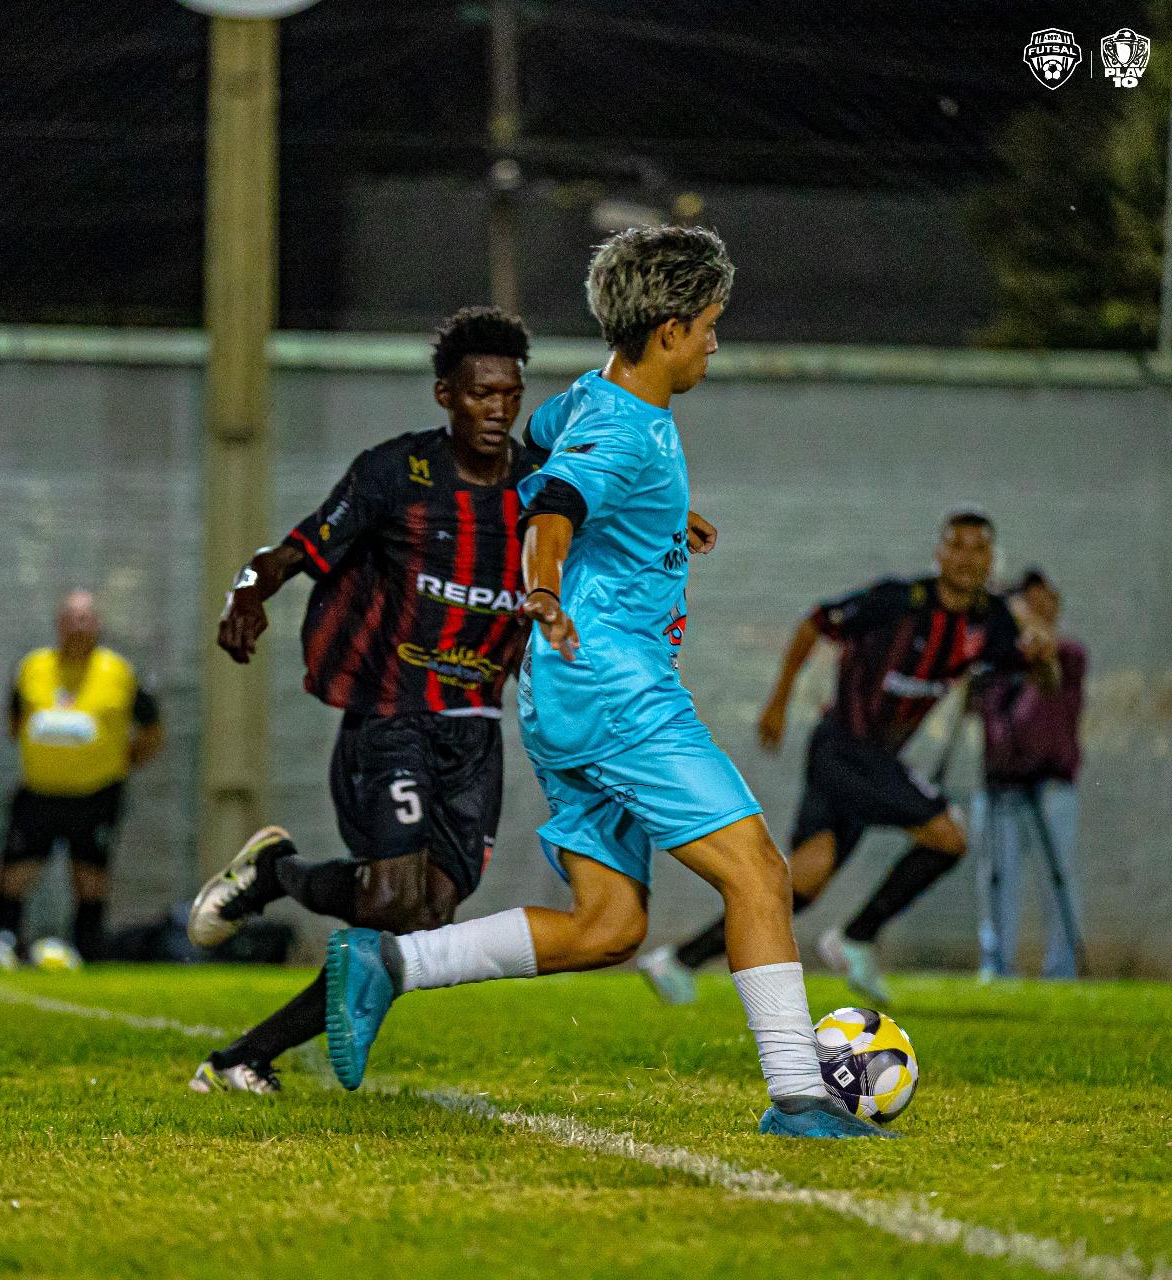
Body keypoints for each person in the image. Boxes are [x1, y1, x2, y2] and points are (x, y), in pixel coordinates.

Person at [319, 225, 891, 1139]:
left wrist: (661, 519)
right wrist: (542, 583)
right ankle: (800, 1098)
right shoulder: (626, 432)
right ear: (668, 330)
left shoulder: (592, 400)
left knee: (610, 926)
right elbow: (554, 502)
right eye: (708, 324)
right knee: (758, 876)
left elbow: (529, 459)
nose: (714, 341)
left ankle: (390, 964)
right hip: (619, 690)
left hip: (564, 692)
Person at [186, 306, 540, 1094]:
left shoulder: (540, 484)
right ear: (446, 395)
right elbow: (289, 552)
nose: (498, 411)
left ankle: (272, 898)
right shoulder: (395, 474)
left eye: (510, 396)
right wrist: (246, 594)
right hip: (391, 713)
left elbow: (601, 514)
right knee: (386, 901)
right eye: (482, 395)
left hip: (476, 725)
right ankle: (250, 1036)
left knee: (421, 923)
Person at [639, 511, 1056, 1007]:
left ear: (992, 559)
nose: (967, 558)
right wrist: (778, 700)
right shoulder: (896, 601)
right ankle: (857, 937)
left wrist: (1045, 653)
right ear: (939, 553)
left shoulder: (991, 623)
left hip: (869, 761)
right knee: (950, 836)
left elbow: (1040, 676)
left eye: (979, 549)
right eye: (957, 546)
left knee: (803, 881)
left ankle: (678, 960)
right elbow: (815, 623)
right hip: (842, 748)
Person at [0, 591, 163, 963]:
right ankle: (2, 944)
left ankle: (87, 949)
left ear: (98, 624)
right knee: (16, 872)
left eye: (86, 619)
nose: (79, 626)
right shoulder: (33, 667)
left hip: (95, 794)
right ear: (59, 624)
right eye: (72, 618)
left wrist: (123, 761)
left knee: (90, 877)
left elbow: (151, 729)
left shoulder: (118, 672)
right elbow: (14, 720)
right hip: (39, 792)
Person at [971, 568, 1085, 979]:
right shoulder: (994, 663)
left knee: (1059, 880)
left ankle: (1063, 967)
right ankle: (997, 965)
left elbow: (1048, 686)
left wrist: (1026, 627)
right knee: (997, 882)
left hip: (1051, 786)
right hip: (1000, 786)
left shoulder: (1068, 655)